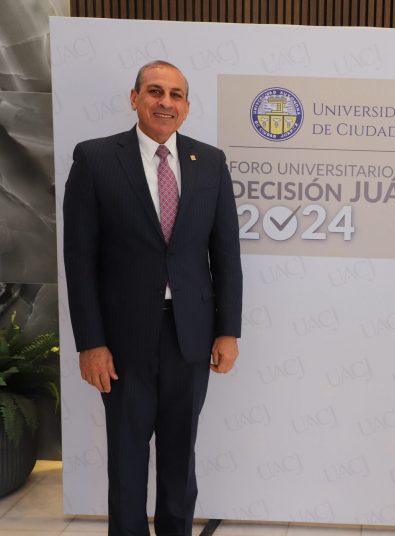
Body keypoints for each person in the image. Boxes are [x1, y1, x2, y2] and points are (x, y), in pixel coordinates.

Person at [63, 60, 242, 535]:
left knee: (181, 455)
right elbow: (79, 260)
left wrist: (228, 330)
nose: (166, 102)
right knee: (126, 455)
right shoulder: (96, 159)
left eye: (176, 94)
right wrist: (91, 342)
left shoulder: (211, 162)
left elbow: (226, 254)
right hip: (122, 341)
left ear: (187, 106)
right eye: (155, 91)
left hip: (191, 336)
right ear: (135, 97)